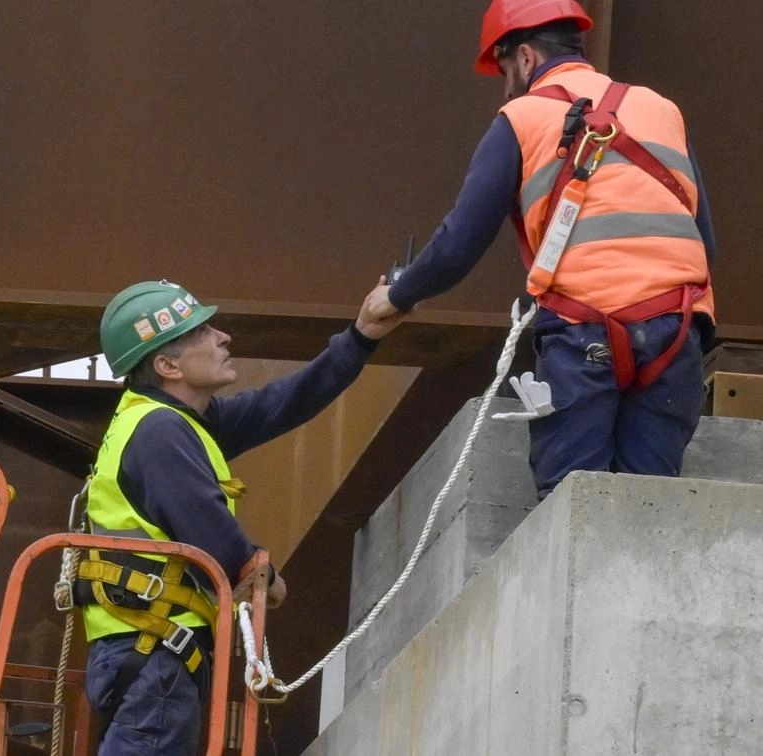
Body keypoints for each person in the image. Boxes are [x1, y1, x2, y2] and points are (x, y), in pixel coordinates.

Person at [369, 0, 716, 499]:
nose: (506, 84)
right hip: (676, 332)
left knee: (570, 505)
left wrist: (397, 296)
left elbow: (459, 242)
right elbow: (705, 241)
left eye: (505, 69)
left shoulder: (521, 116)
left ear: (526, 58)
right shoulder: (662, 110)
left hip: (585, 335)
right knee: (650, 511)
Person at [78, 278, 403, 756]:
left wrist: (360, 336)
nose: (223, 338)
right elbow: (204, 523)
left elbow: (282, 403)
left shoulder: (176, 421)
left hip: (148, 648)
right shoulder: (158, 430)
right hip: (152, 650)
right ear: (168, 365)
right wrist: (256, 569)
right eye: (203, 332)